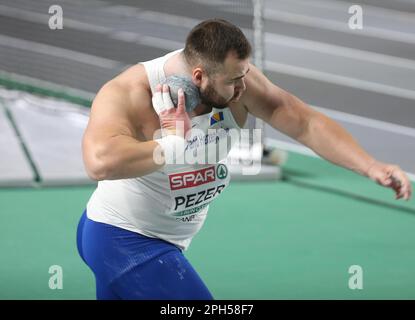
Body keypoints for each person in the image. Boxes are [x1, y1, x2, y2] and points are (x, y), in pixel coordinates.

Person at [77, 19, 412, 300]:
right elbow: (100, 162)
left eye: (244, 75)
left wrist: (370, 166)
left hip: (165, 242)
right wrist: (176, 143)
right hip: (124, 239)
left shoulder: (236, 80)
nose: (243, 88)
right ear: (199, 76)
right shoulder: (131, 92)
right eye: (233, 81)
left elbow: (305, 122)